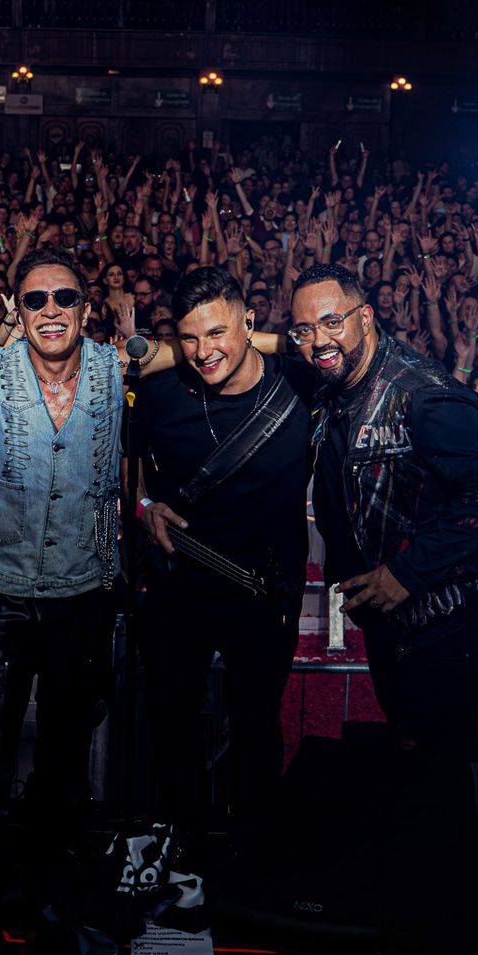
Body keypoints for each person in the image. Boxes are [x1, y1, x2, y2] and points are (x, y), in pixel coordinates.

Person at [0, 245, 244, 955]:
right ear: (17, 312)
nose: (50, 310)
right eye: (36, 300)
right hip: (1, 597)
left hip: (83, 598)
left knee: (62, 768)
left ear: (87, 309)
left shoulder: (118, 370)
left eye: (64, 299)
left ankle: (54, 906)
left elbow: (228, 344)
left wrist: (298, 339)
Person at [290, 262, 478, 938]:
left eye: (332, 320)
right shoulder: (336, 383)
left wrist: (405, 574)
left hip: (454, 621)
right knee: (433, 770)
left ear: (367, 317)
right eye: (303, 328)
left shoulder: (425, 394)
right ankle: (467, 917)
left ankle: (414, 944)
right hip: (401, 622)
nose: (317, 339)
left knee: (425, 768)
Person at [134, 267, 317, 863]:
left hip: (263, 593)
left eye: (217, 333)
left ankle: (256, 856)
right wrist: (141, 505)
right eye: (188, 339)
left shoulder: (299, 384)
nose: (202, 351)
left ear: (249, 323)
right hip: (178, 587)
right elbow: (118, 461)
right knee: (171, 725)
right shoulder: (162, 392)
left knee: (257, 726)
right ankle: (177, 848)